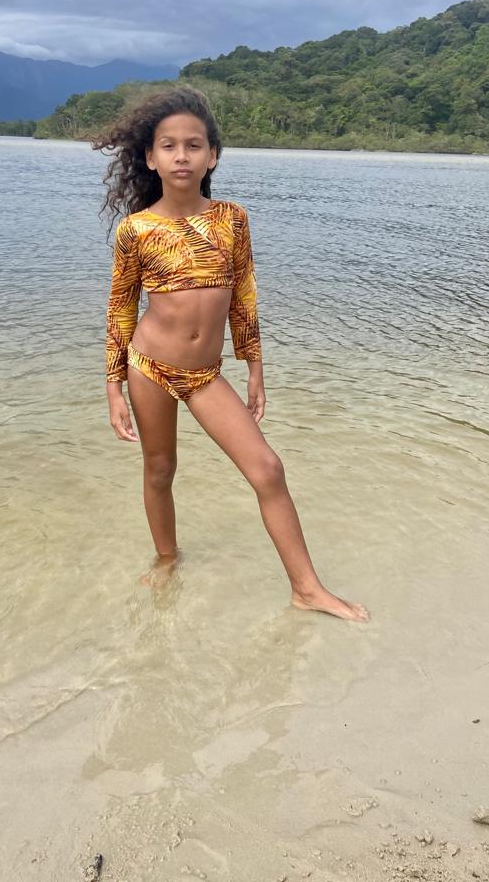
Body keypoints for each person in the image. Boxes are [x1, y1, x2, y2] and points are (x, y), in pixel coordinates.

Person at [95, 85, 369, 622]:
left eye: (193, 145)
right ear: (150, 157)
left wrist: (255, 368)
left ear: (213, 155)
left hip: (204, 373)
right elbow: (121, 307)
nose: (181, 155)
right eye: (169, 146)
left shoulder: (232, 219)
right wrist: (113, 386)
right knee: (160, 469)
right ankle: (167, 558)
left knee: (267, 469)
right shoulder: (137, 229)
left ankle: (307, 588)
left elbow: (244, 294)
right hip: (148, 367)